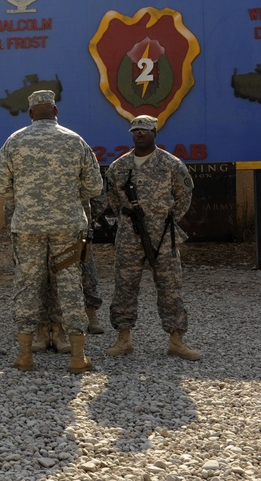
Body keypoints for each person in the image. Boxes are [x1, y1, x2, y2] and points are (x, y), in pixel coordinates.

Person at [0, 90, 102, 373]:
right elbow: (94, 187)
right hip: (67, 227)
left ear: (31, 114)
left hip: (28, 228)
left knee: (27, 286)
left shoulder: (15, 141)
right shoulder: (74, 140)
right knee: (69, 286)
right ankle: (77, 357)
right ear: (55, 111)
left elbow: (0, 187)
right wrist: (67, 195)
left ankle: (25, 355)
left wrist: (27, 197)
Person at [104, 115, 200, 360]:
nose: (140, 134)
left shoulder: (171, 164)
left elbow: (184, 196)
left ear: (155, 132)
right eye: (136, 130)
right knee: (125, 286)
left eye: (145, 130)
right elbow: (113, 199)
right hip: (129, 236)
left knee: (170, 287)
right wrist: (126, 220)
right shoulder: (119, 166)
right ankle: (123, 338)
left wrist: (165, 219)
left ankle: (177, 340)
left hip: (163, 236)